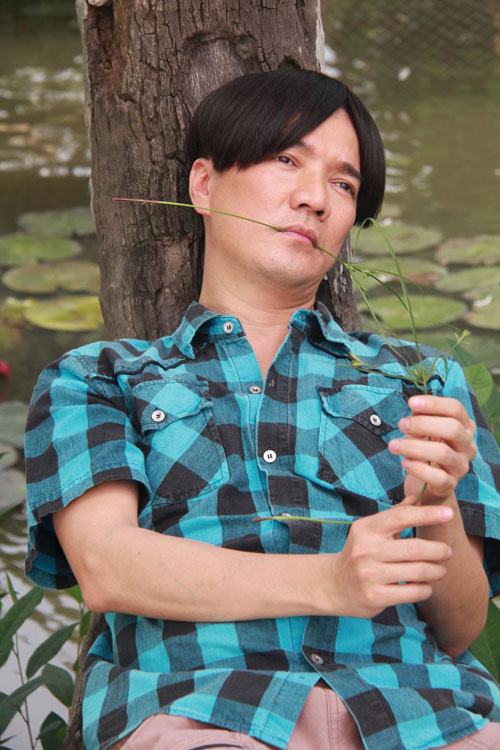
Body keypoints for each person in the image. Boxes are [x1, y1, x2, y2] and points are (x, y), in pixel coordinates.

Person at [24, 70, 500, 750]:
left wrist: (437, 500)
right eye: (286, 160)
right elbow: (107, 566)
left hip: (424, 716)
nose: (315, 199)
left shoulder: (422, 380)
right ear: (205, 185)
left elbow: (459, 627)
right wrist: (330, 581)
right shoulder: (99, 378)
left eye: (344, 184)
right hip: (203, 712)